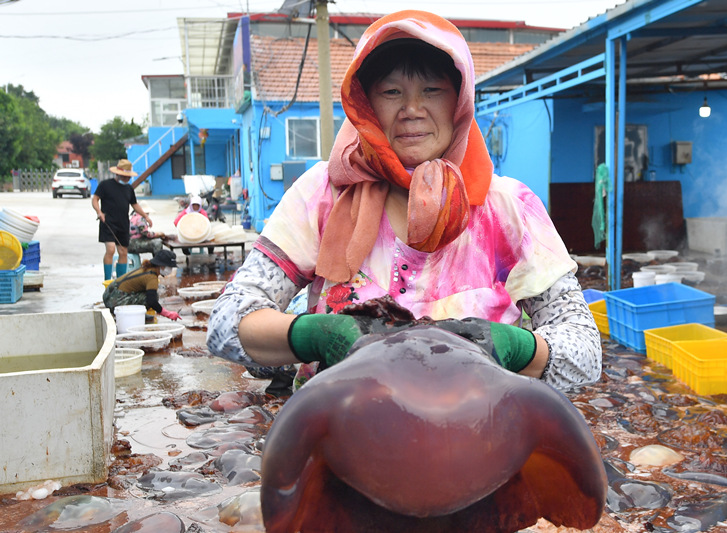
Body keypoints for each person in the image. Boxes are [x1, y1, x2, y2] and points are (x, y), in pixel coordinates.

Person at [207, 10, 602, 392]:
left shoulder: (506, 207)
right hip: (338, 432)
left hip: (479, 434)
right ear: (365, 106)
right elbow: (225, 322)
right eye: (391, 92)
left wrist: (516, 347)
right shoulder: (325, 192)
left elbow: (585, 352)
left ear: (460, 101)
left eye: (432, 90)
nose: (411, 111)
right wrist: (309, 335)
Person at [92, 159, 151, 281]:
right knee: (111, 249)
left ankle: (121, 280)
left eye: (128, 177)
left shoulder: (129, 189)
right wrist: (99, 212)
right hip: (108, 222)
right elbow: (95, 199)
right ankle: (107, 279)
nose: (127, 179)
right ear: (117, 174)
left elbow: (134, 205)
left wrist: (145, 216)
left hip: (123, 224)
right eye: (124, 176)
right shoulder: (105, 185)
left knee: (123, 252)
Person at [102, 249, 181, 321]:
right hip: (113, 301)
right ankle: (135, 314)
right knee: (150, 297)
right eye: (169, 267)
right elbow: (152, 301)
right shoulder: (151, 277)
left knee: (149, 293)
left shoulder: (147, 268)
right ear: (162, 266)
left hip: (109, 293)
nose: (170, 270)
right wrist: (168, 314)